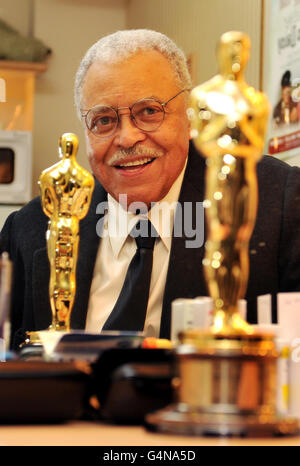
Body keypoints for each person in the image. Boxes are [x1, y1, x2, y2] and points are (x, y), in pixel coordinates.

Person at [1, 29, 300, 350]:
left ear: (189, 118)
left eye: (149, 112)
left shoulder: (275, 200)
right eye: (104, 120)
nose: (127, 138)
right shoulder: (30, 229)